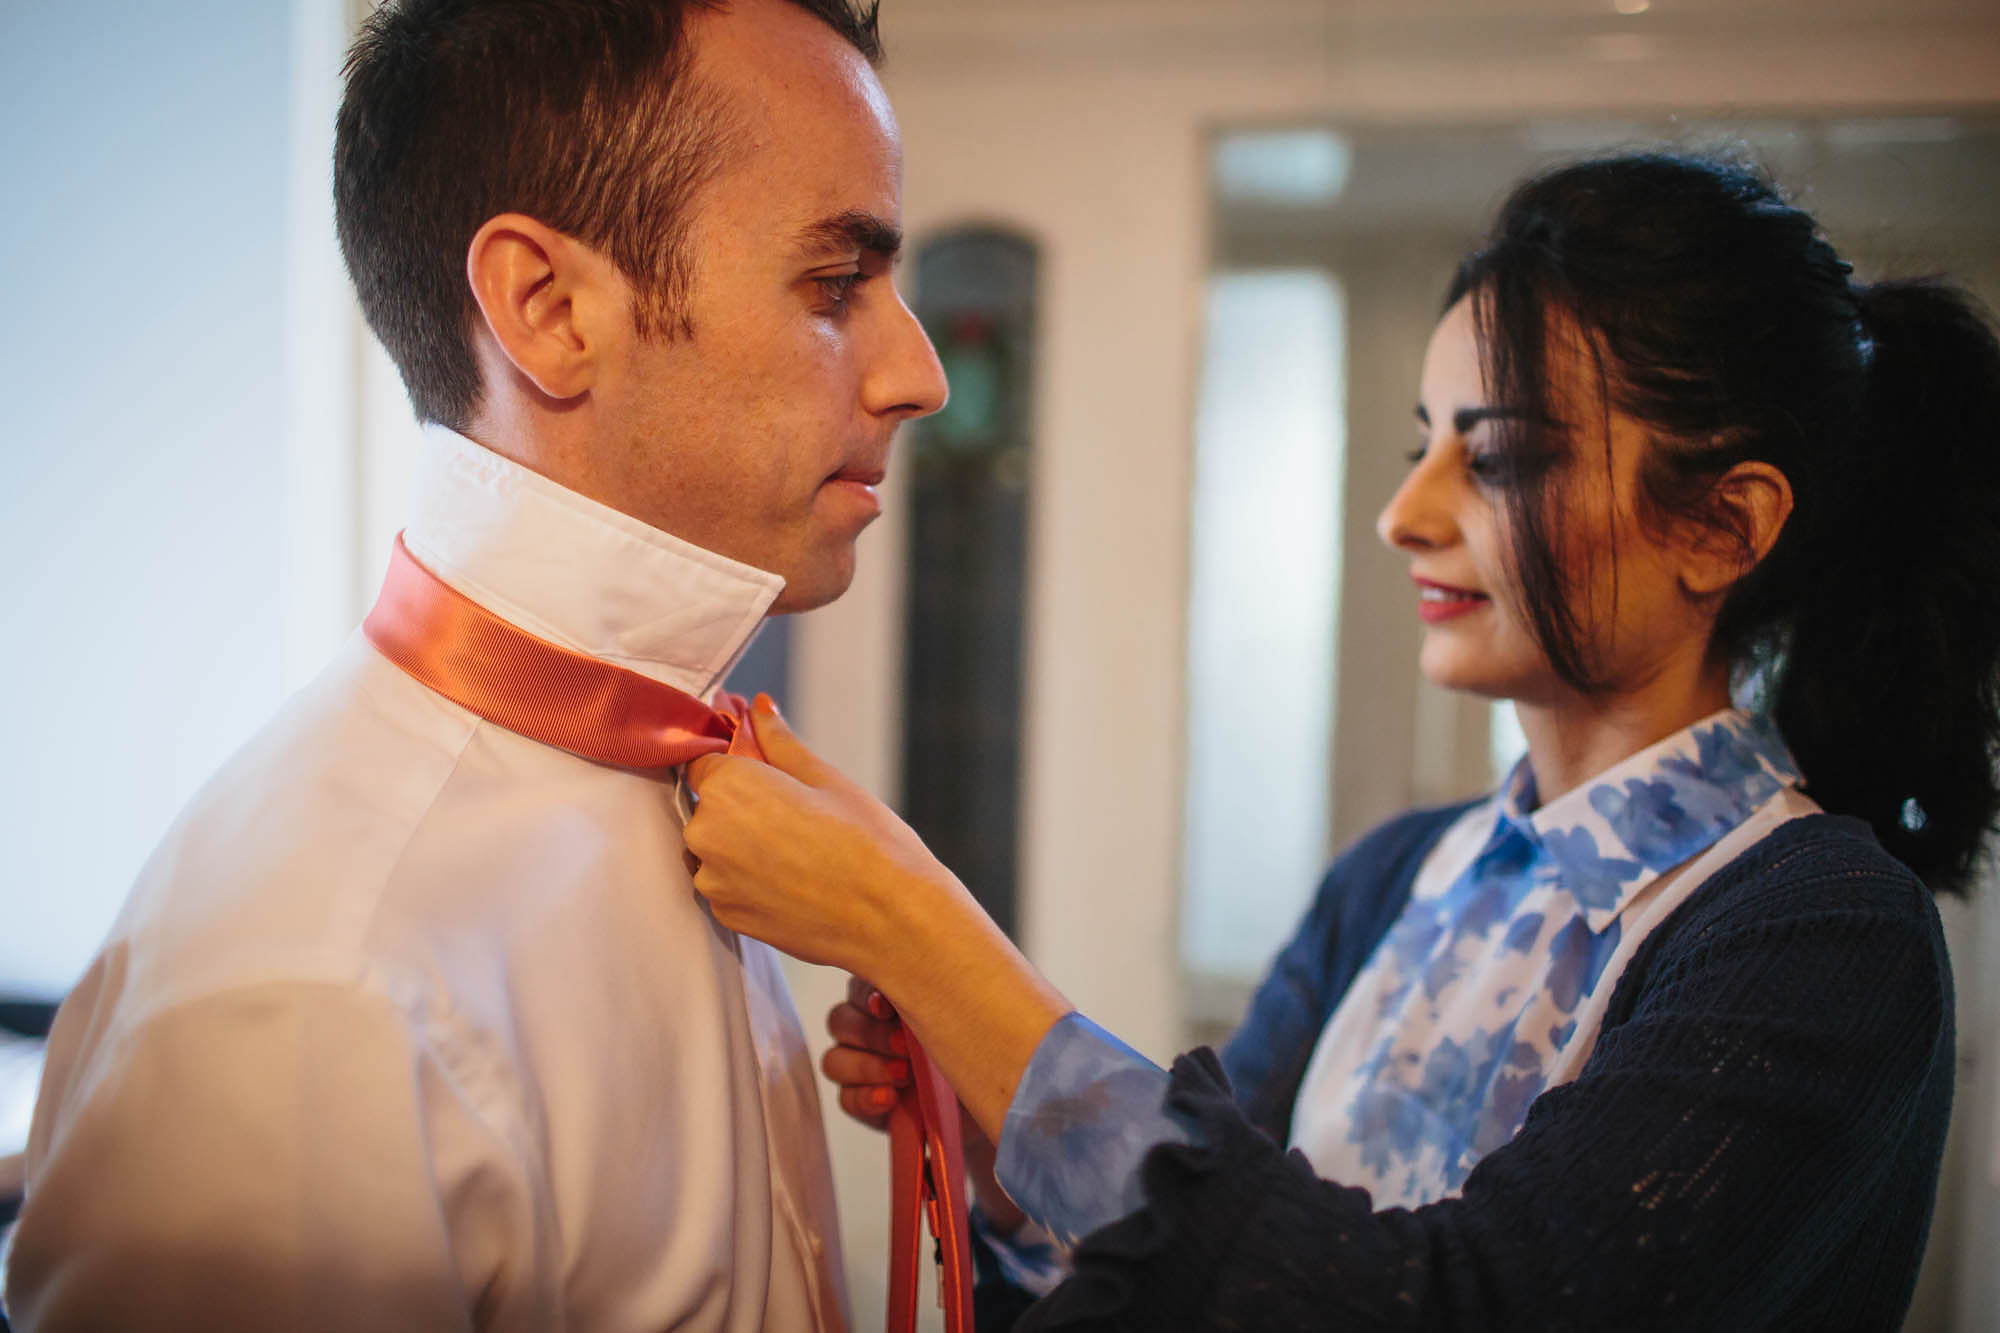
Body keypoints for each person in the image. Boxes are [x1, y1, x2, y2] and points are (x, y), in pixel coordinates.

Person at [681, 150, 2000, 1330]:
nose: (1403, 515)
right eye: (1424, 446)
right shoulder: (1392, 878)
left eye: (1501, 461)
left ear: (1721, 525)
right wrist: (1015, 1176)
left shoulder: (1823, 936)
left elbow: (1443, 1305)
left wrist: (923, 930)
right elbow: (1220, 1272)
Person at [3, 1, 944, 1329]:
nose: (922, 374)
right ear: (549, 309)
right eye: (837, 284)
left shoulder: (686, 775)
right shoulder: (313, 991)